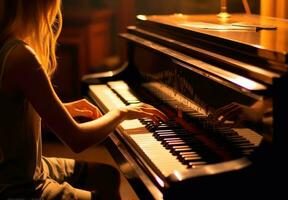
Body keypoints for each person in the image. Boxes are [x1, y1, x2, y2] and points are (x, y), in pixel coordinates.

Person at [0, 0, 167, 199]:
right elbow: (77, 140)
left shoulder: (7, 45)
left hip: (20, 169)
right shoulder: (22, 56)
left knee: (107, 176)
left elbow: (12, 113)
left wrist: (63, 109)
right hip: (22, 186)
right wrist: (122, 112)